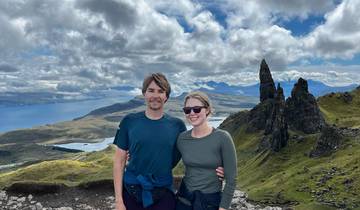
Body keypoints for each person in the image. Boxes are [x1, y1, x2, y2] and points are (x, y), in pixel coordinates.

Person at [113, 73, 224, 210]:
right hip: (131, 191)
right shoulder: (129, 121)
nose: (156, 95)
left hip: (164, 192)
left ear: (166, 96)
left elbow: (193, 152)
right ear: (144, 93)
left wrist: (216, 167)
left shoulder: (177, 126)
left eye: (161, 91)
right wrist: (119, 200)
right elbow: (119, 161)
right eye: (151, 90)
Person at [175, 91, 237, 210]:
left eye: (197, 109)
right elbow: (167, 161)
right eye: (187, 110)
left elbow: (231, 180)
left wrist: (223, 208)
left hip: (210, 202)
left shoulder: (222, 137)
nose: (192, 113)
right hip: (184, 200)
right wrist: (133, 156)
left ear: (207, 110)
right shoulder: (182, 138)